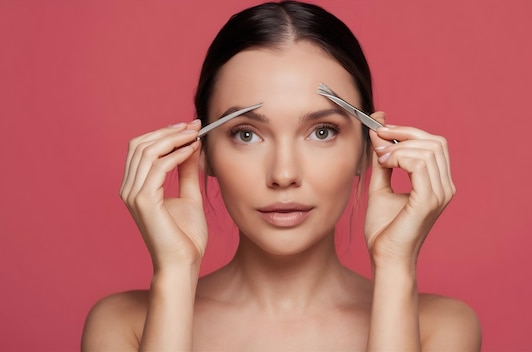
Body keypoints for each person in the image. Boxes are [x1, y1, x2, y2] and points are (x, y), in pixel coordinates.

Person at [81, 1, 481, 351]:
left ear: (370, 147)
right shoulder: (124, 325)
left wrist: (395, 267)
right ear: (201, 152)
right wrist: (174, 273)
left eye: (322, 132)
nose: (284, 174)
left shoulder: (438, 329)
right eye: (247, 134)